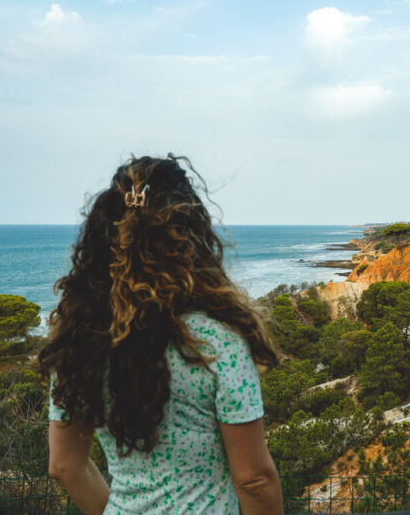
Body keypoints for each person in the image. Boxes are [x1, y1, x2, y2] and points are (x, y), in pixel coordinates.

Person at [38, 156, 283, 514]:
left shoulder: (80, 341)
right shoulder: (217, 342)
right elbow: (254, 480)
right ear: (194, 237)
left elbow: (64, 466)